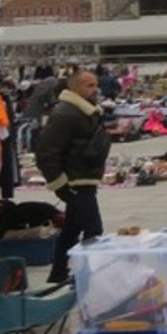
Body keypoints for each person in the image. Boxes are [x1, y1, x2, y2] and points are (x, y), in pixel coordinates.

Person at [35, 70, 112, 284]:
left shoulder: (85, 111)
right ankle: (90, 275)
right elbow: (46, 152)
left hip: (84, 179)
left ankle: (58, 274)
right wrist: (59, 184)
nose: (95, 88)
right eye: (89, 85)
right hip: (74, 182)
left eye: (95, 84)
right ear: (74, 88)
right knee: (93, 229)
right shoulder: (66, 113)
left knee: (72, 228)